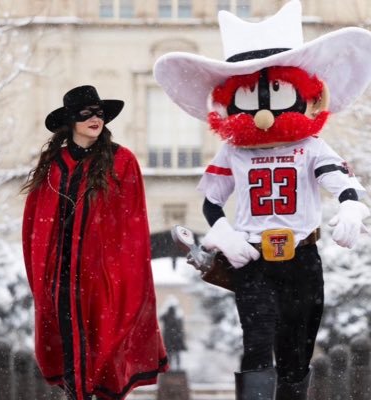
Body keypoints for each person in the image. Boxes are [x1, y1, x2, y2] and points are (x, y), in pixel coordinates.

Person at [153, 1, 371, 399]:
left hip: (302, 256)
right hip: (253, 259)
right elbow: (212, 202)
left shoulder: (310, 146)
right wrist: (225, 234)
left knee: (296, 349)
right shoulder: (233, 152)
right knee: (256, 339)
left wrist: (352, 206)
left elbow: (340, 182)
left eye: (278, 96)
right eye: (254, 99)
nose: (267, 114)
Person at [21, 85, 168, 400]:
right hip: (61, 276)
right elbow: (36, 224)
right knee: (69, 349)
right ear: (71, 120)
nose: (94, 118)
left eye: (99, 112)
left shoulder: (121, 161)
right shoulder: (53, 165)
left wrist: (120, 271)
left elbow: (131, 223)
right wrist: (43, 276)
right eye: (85, 113)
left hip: (101, 275)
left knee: (103, 345)